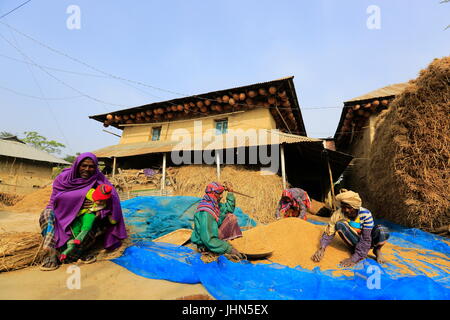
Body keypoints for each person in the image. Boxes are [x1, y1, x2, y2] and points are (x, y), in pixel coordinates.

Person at [39, 152, 127, 271]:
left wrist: (100, 208)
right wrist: (78, 202)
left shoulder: (99, 180)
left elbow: (112, 201)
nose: (87, 169)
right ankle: (50, 253)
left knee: (94, 221)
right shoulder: (63, 179)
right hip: (63, 214)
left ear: (95, 167)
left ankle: (79, 252)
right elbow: (54, 201)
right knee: (46, 214)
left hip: (86, 217)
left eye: (91, 166)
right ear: (77, 165)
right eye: (84, 165)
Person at [311, 189, 390, 267]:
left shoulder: (366, 214)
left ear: (355, 207)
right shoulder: (338, 214)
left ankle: (377, 250)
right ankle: (354, 249)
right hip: (353, 240)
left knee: (382, 230)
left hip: (368, 241)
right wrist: (321, 248)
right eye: (343, 207)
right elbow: (329, 233)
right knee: (340, 224)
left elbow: (366, 239)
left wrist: (354, 259)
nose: (346, 210)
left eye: (349, 207)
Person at [59, 184, 116, 262]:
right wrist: (80, 203)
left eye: (101, 200)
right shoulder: (89, 193)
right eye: (98, 199)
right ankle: (66, 252)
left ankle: (79, 239)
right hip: (76, 216)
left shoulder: (104, 203)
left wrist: (111, 219)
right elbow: (77, 196)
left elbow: (110, 213)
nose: (99, 202)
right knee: (75, 230)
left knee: (88, 224)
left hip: (89, 214)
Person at [190, 181, 244, 258]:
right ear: (213, 194)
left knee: (231, 217)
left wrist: (230, 193)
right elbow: (208, 239)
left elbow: (229, 209)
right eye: (219, 194)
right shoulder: (206, 212)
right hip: (205, 244)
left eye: (222, 193)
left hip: (211, 236)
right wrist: (228, 249)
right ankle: (212, 249)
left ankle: (219, 244)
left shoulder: (215, 205)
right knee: (214, 244)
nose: (222, 196)